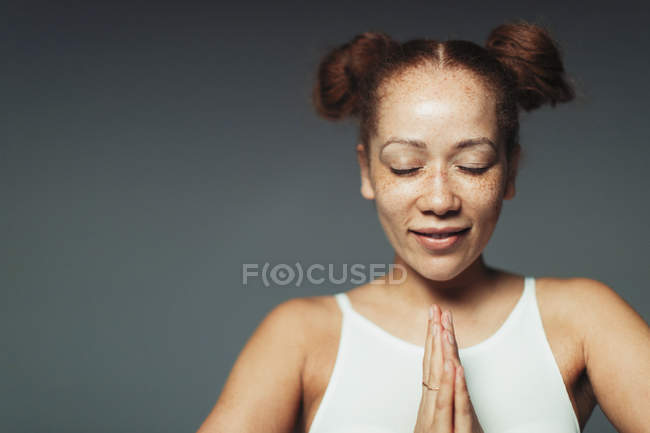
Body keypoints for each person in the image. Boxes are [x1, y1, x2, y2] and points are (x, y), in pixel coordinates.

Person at [195, 20, 650, 433]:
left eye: (472, 166)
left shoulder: (585, 320)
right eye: (405, 166)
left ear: (510, 170)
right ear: (367, 172)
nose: (438, 200)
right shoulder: (299, 337)